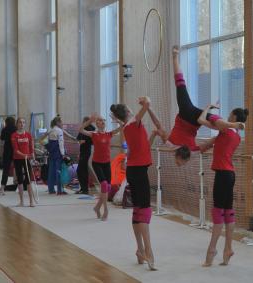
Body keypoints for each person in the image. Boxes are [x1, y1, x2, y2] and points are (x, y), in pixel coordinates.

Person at [133, 46, 243, 166]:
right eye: (179, 162)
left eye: (180, 163)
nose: (179, 164)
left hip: (193, 117)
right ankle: (175, 57)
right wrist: (148, 108)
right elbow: (158, 124)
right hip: (188, 114)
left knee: (182, 85)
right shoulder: (174, 146)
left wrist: (221, 135)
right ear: (178, 156)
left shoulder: (187, 150)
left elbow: (210, 143)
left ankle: (231, 125)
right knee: (180, 84)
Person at [197, 104, 249, 267]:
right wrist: (204, 145)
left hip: (223, 175)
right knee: (228, 212)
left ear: (234, 117)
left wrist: (207, 107)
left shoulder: (225, 129)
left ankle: (212, 250)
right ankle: (228, 248)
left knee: (218, 212)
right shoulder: (233, 134)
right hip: (229, 175)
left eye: (230, 114)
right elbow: (208, 144)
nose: (227, 116)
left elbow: (201, 119)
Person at [111, 97, 157, 271]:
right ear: (128, 112)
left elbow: (141, 147)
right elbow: (147, 104)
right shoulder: (132, 123)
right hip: (137, 172)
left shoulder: (127, 128)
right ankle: (148, 250)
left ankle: (139, 249)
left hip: (135, 170)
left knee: (138, 210)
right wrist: (144, 101)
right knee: (144, 210)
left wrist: (152, 134)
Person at [79, 114, 122, 221]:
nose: (102, 122)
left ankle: (97, 207)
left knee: (107, 187)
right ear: (97, 123)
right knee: (103, 184)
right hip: (97, 163)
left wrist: (117, 120)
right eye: (100, 120)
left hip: (106, 163)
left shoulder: (109, 134)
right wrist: (89, 121)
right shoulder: (93, 134)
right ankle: (106, 210)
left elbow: (123, 127)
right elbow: (81, 130)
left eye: (104, 120)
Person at [40, 115, 76, 195]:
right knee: (59, 171)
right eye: (61, 122)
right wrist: (63, 154)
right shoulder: (59, 131)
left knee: (51, 171)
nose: (62, 123)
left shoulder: (51, 130)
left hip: (51, 153)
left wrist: (46, 146)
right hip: (58, 153)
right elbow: (61, 143)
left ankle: (51, 189)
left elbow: (42, 140)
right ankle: (60, 190)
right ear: (58, 122)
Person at [11, 117, 35, 207]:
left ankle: (31, 201)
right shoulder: (14, 135)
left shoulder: (28, 135)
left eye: (23, 122)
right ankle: (21, 201)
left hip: (27, 159)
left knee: (29, 180)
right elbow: (16, 150)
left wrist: (32, 153)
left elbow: (31, 146)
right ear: (17, 124)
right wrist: (24, 155)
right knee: (20, 180)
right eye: (20, 122)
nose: (21, 124)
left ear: (25, 124)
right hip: (17, 159)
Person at [0, 117, 16, 195]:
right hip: (15, 150)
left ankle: (2, 188)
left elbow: (2, 138)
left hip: (7, 151)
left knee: (6, 170)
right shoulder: (16, 128)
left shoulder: (5, 129)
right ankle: (20, 185)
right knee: (18, 168)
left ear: (6, 122)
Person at [76, 117, 95, 194]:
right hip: (86, 151)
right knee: (81, 170)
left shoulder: (87, 128)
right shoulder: (91, 128)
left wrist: (80, 141)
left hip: (85, 151)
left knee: (81, 170)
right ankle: (83, 188)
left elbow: (81, 141)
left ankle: (85, 189)